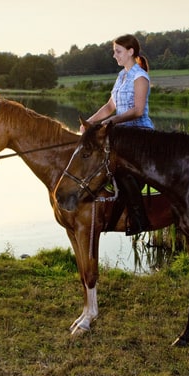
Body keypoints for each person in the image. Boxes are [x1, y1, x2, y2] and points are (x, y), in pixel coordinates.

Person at [82, 34, 153, 234]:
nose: (114, 55)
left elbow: (138, 110)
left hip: (140, 134)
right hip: (122, 133)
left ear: (131, 52)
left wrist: (110, 121)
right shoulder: (122, 76)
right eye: (115, 51)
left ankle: (139, 219)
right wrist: (90, 122)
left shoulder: (140, 77)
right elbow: (110, 106)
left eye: (118, 51)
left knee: (122, 170)